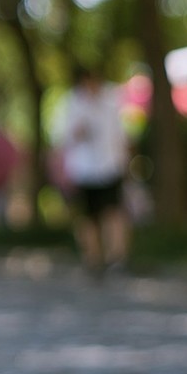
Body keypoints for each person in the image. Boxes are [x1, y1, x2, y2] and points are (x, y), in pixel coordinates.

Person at [52, 67, 131, 278]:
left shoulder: (111, 100)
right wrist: (77, 133)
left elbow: (121, 133)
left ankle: (117, 257)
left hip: (110, 166)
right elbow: (61, 138)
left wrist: (125, 161)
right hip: (83, 170)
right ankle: (93, 258)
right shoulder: (71, 104)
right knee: (87, 218)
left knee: (113, 213)